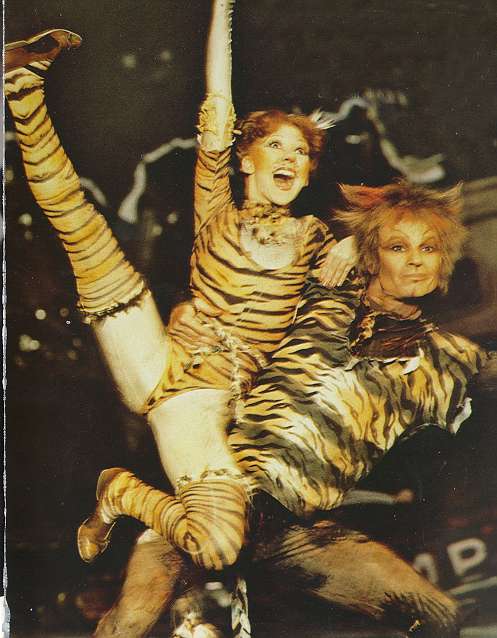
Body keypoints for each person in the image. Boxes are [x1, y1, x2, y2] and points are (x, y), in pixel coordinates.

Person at [4, 0, 356, 574]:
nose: (291, 158)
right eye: (276, 146)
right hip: (155, 349)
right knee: (76, 220)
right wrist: (222, 6)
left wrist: (356, 243)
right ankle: (23, 85)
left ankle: (121, 492)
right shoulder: (216, 206)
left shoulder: (317, 239)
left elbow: (386, 270)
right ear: (246, 159)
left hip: (201, 402)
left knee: (218, 547)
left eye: (301, 153)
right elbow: (218, 98)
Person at [93, 180, 487, 638]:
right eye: (397, 247)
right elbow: (228, 293)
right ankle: (127, 497)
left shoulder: (449, 358)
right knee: (129, 623)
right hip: (214, 500)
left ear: (445, 260)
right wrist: (185, 310)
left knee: (440, 618)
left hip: (296, 532)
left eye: (429, 248)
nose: (415, 260)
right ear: (372, 254)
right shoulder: (320, 293)